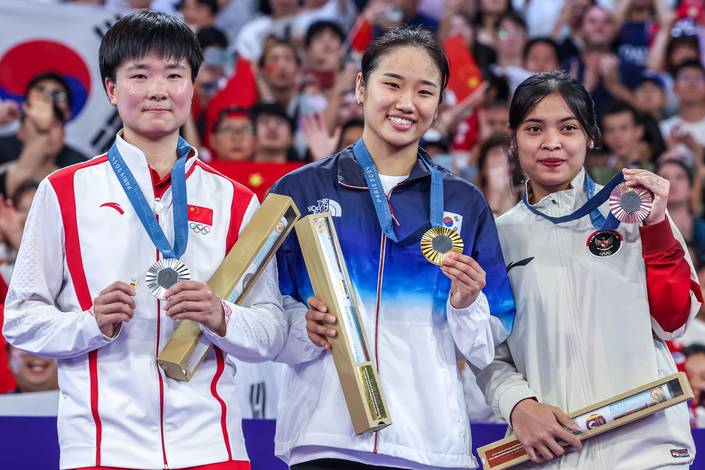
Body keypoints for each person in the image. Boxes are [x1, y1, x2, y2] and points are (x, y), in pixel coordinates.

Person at [2, 11, 287, 470]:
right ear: (112, 90)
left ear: (192, 87)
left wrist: (220, 314)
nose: (158, 89)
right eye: (139, 75)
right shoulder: (64, 191)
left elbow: (271, 333)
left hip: (212, 446)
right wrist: (90, 323)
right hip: (100, 448)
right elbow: (19, 321)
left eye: (174, 75)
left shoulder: (236, 201)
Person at [271, 27, 516, 470]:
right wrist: (301, 327)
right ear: (362, 88)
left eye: (425, 91)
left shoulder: (464, 202)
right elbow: (266, 311)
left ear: (439, 107)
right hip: (325, 437)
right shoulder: (301, 189)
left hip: (430, 442)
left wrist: (465, 304)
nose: (407, 103)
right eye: (392, 84)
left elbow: (487, 342)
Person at [474, 71, 702, 468]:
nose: (552, 143)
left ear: (590, 137)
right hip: (551, 454)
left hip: (646, 451)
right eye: (533, 129)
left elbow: (674, 322)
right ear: (512, 140)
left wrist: (657, 228)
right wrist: (518, 405)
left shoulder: (633, 213)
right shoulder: (497, 237)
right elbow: (488, 350)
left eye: (568, 128)